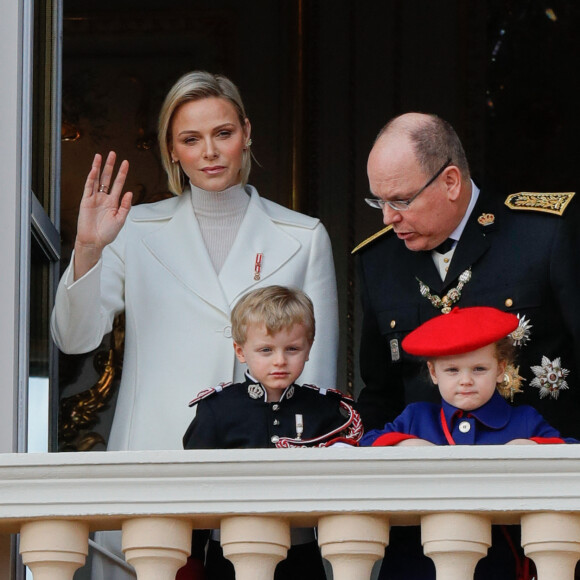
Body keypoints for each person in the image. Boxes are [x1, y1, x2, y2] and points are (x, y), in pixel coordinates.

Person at [50, 71, 338, 579]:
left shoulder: (304, 236)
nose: (210, 151)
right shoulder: (134, 229)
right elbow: (73, 338)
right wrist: (89, 248)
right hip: (153, 462)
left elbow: (321, 380)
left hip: (265, 476)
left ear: (246, 133)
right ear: (172, 149)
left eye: (223, 133)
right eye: (191, 138)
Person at [354, 112, 580, 441]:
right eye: (379, 201)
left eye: (401, 201)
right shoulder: (378, 261)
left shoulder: (544, 234)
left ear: (451, 182)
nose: (388, 218)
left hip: (542, 469)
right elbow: (380, 394)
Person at [360, 306, 576, 580]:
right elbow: (366, 445)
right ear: (433, 372)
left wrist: (532, 448)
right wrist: (401, 445)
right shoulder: (416, 418)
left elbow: (569, 452)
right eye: (452, 369)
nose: (465, 381)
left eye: (478, 368)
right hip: (415, 563)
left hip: (497, 564)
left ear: (500, 368)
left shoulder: (523, 421)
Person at [183, 285, 362, 580]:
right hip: (228, 555)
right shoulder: (218, 410)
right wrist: (190, 561)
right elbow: (194, 488)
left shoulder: (326, 410)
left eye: (291, 349)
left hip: (300, 555)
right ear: (240, 350)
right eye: (266, 350)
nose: (280, 360)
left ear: (309, 347)